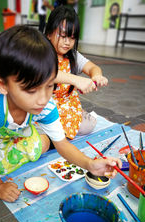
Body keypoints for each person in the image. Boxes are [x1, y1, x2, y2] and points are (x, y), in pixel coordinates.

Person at [0, 25, 121, 202]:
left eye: (50, 85)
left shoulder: (45, 104)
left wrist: (90, 164)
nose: (43, 99)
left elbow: (62, 144)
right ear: (2, 85)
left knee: (40, 146)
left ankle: (3, 152)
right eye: (31, 90)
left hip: (7, 136)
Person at [45, 6, 108, 139]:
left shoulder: (73, 55)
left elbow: (93, 68)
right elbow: (47, 73)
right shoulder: (40, 53)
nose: (67, 42)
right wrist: (76, 80)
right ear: (49, 33)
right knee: (45, 132)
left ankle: (78, 115)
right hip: (44, 108)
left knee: (89, 125)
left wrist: (96, 75)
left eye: (72, 37)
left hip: (67, 107)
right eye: (62, 36)